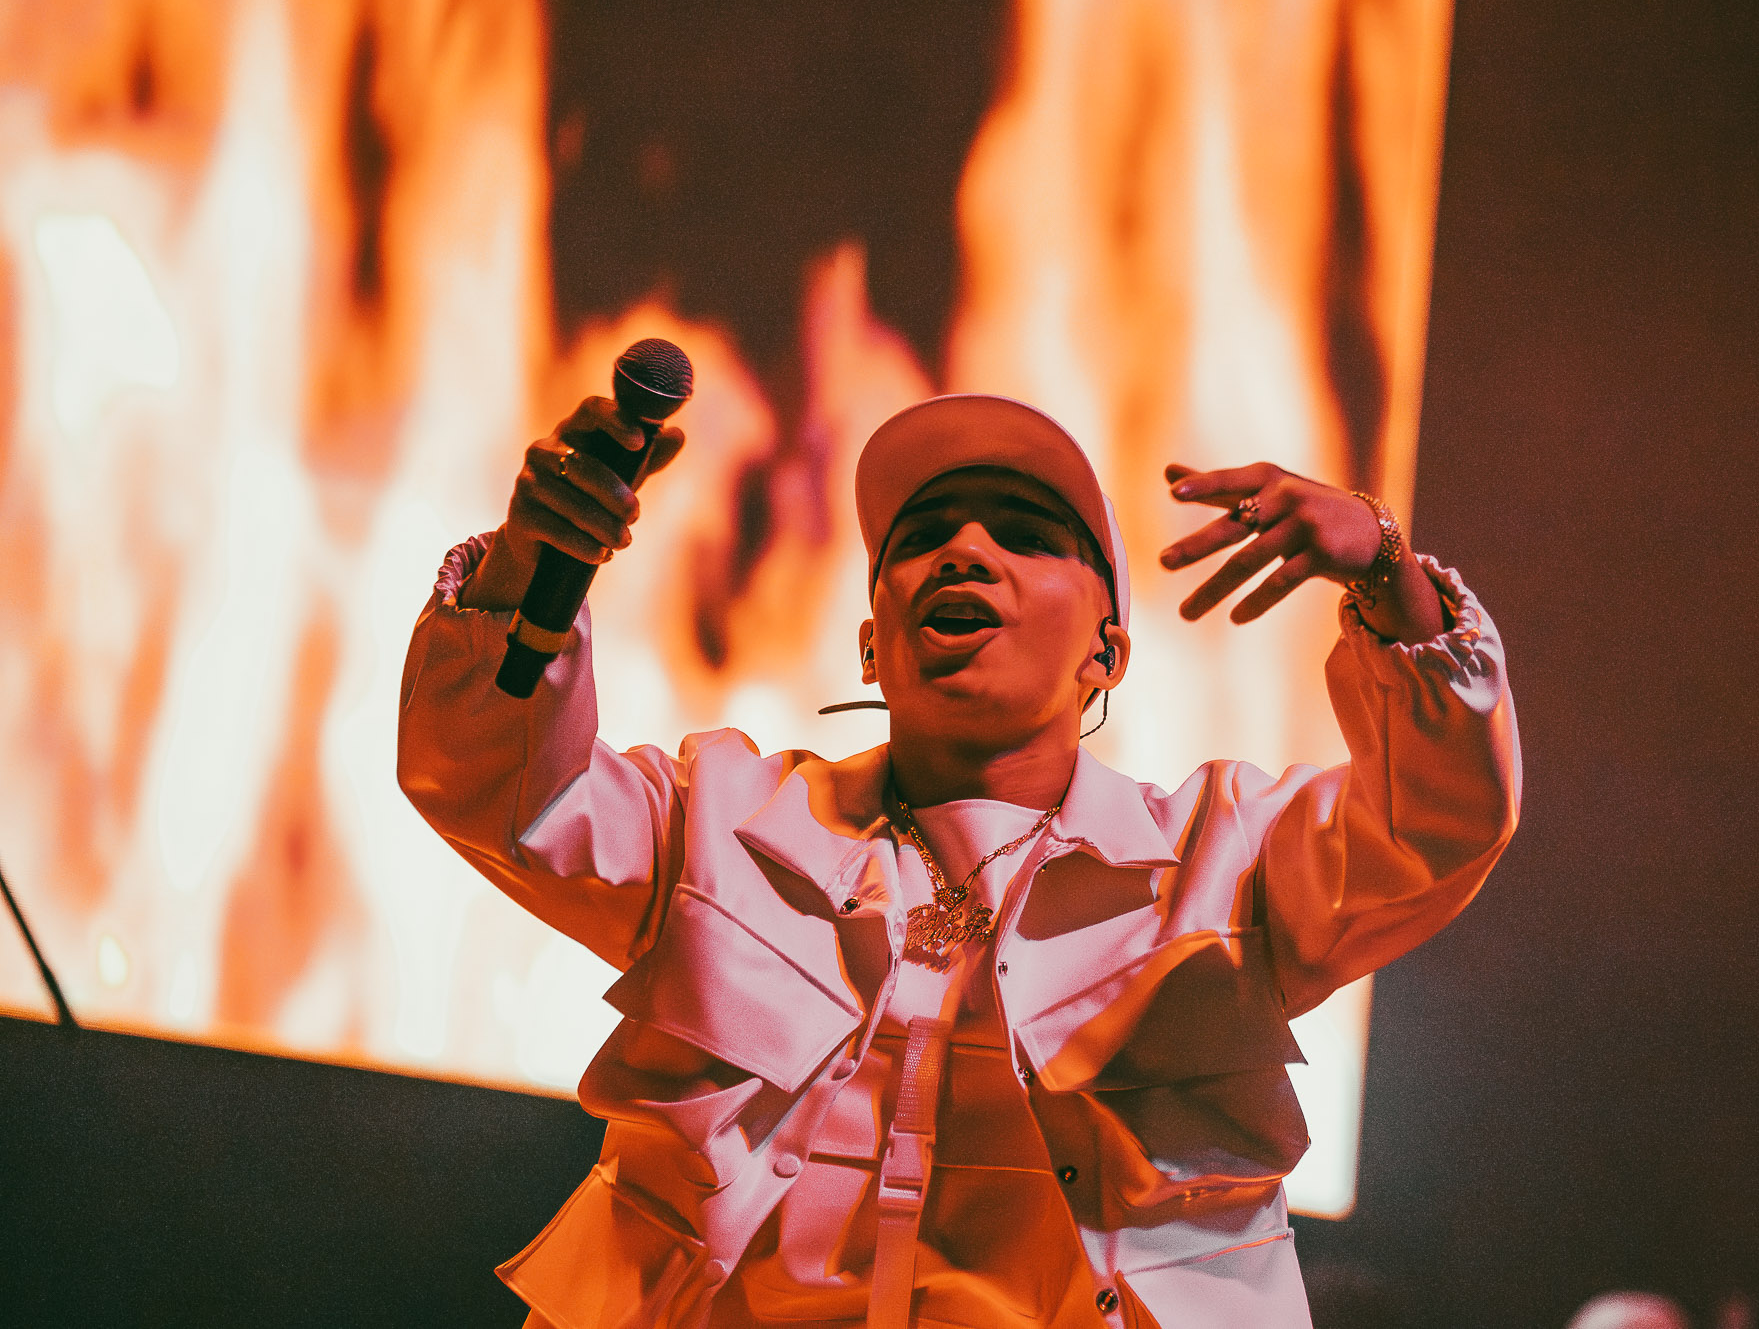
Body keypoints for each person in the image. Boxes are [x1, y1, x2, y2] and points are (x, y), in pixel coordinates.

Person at [398, 392, 1520, 1328]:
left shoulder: (1222, 863)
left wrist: (1388, 573)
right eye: (922, 538)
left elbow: (1435, 822)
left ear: (1105, 653)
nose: (965, 551)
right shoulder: (718, 822)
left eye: (1025, 536)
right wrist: (526, 568)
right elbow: (500, 784)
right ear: (870, 645)